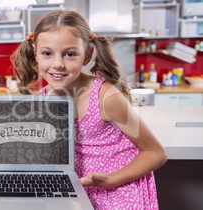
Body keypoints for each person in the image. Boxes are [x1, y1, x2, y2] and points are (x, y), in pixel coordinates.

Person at [11, 10, 167, 210]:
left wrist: (111, 180)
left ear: (87, 55)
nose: (58, 64)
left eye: (70, 54)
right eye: (47, 53)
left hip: (117, 190)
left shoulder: (106, 97)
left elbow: (155, 153)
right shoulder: (43, 99)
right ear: (35, 53)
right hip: (78, 191)